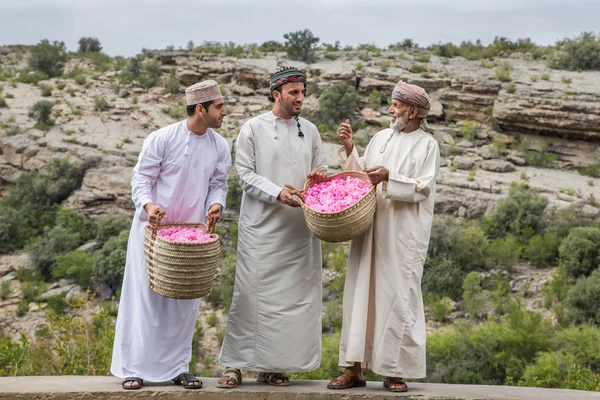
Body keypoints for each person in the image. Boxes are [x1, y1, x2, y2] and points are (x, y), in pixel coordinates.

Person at [111, 80, 231, 390]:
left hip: (191, 235)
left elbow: (219, 183)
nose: (224, 112)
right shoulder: (162, 138)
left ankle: (179, 368)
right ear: (200, 109)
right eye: (219, 107)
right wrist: (149, 206)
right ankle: (134, 367)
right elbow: (142, 179)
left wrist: (216, 205)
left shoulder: (220, 145)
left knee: (183, 304)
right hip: (153, 231)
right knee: (145, 300)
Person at [327, 81, 440, 393]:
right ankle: (353, 367)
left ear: (414, 111)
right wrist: (350, 150)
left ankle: (394, 369)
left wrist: (390, 178)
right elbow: (361, 175)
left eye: (397, 106)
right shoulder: (380, 138)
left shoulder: (427, 145)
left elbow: (424, 187)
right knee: (360, 294)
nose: (391, 111)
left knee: (397, 296)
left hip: (402, 235)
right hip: (371, 228)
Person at [217, 67, 327, 388]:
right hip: (262, 230)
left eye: (303, 92)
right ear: (276, 94)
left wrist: (318, 177)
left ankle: (274, 366)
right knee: (251, 296)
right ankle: (235, 366)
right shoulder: (252, 129)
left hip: (299, 233)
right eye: (294, 92)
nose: (300, 98)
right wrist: (278, 192)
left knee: (292, 303)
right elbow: (245, 176)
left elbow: (319, 172)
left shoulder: (311, 130)